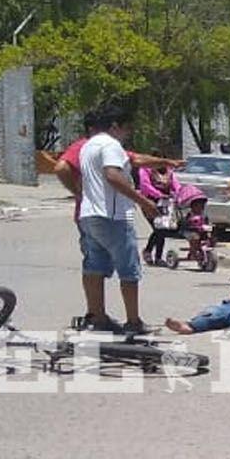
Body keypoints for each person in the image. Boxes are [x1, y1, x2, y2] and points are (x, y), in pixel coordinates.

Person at [75, 105, 160, 334]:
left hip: (89, 214)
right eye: (127, 128)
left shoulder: (87, 146)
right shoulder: (111, 145)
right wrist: (144, 202)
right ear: (115, 126)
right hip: (112, 216)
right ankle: (133, 321)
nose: (128, 133)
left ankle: (98, 316)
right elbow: (113, 176)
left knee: (94, 267)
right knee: (129, 270)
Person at [137, 160, 182, 264]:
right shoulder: (145, 170)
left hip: (165, 203)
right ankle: (152, 254)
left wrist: (177, 193)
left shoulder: (169, 172)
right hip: (149, 203)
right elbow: (145, 186)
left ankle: (156, 256)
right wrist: (159, 194)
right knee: (158, 228)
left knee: (162, 228)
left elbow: (176, 185)